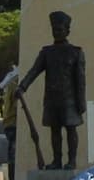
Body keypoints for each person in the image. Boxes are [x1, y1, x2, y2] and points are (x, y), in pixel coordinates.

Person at [17, 10, 86, 171]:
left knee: (70, 130)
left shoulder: (75, 53)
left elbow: (80, 81)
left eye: (60, 30)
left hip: (70, 101)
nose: (57, 33)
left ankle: (72, 161)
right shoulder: (47, 53)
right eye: (54, 30)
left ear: (67, 31)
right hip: (52, 99)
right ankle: (56, 160)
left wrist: (81, 103)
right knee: (55, 131)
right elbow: (34, 71)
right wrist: (22, 87)